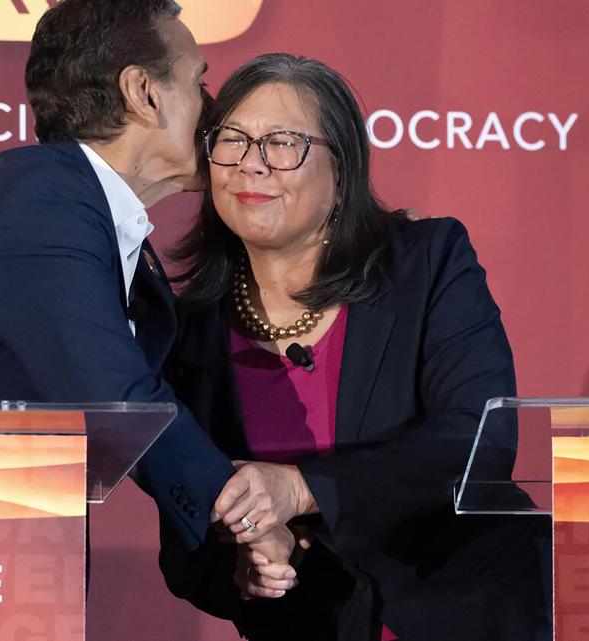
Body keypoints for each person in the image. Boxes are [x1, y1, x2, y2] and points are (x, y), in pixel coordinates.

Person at [0, 0, 301, 557]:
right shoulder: (42, 197)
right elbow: (112, 390)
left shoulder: (96, 220)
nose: (213, 110)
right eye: (199, 83)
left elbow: (142, 399)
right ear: (143, 93)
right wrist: (246, 520)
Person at [158, 54, 550, 640]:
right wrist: (243, 573)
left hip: (473, 611)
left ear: (341, 171)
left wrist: (302, 488)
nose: (251, 165)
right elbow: (186, 541)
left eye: (283, 143)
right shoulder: (188, 327)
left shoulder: (427, 261)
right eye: (232, 141)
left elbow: (480, 441)